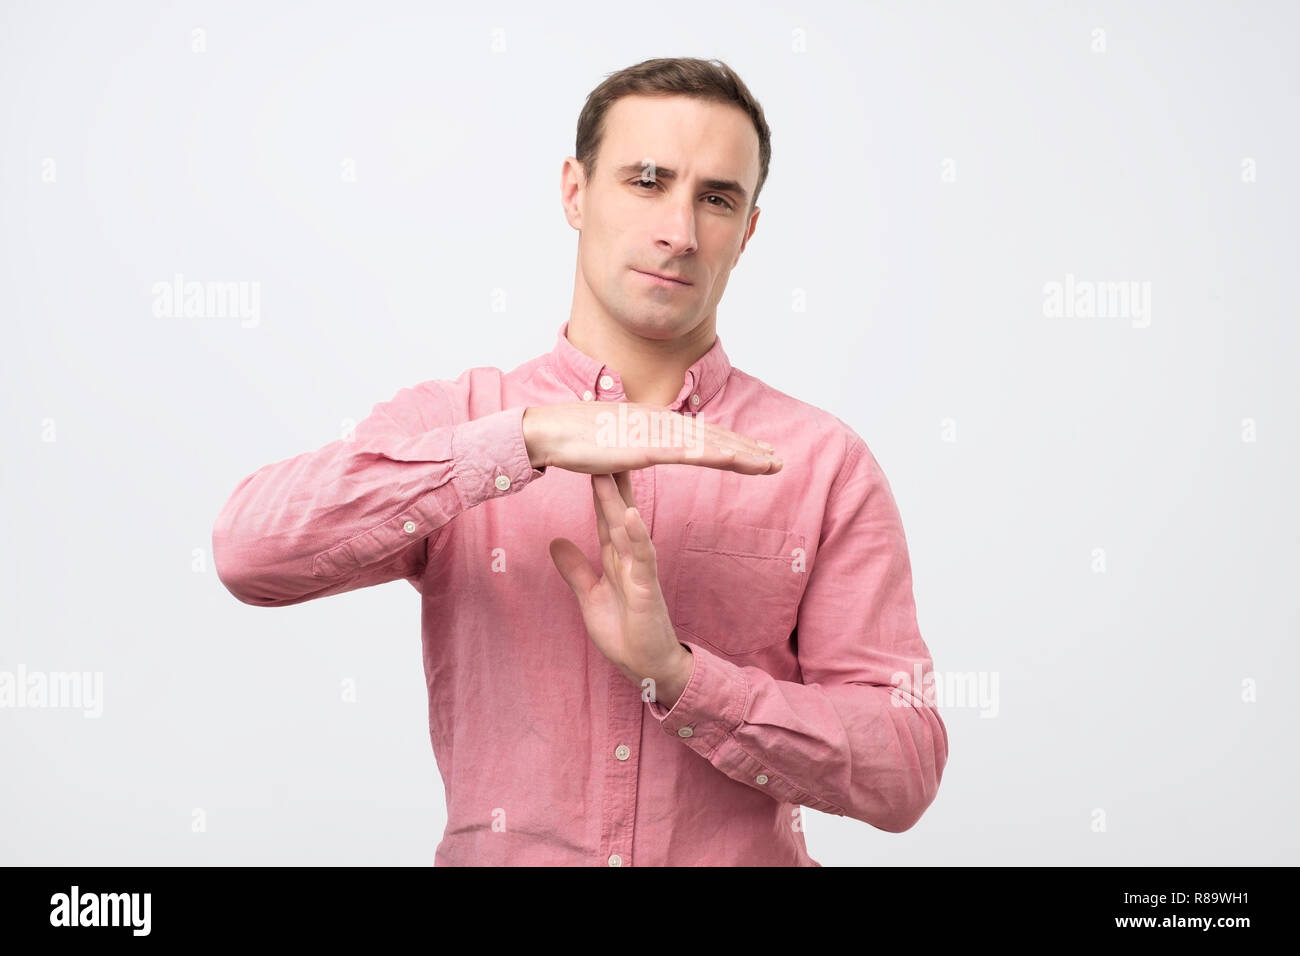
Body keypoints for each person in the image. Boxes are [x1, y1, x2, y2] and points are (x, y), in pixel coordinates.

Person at [212, 56, 947, 866]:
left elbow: (905, 764)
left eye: (716, 198)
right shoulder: (461, 422)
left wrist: (683, 679)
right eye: (645, 180)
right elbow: (250, 553)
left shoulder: (820, 463)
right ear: (574, 191)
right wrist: (527, 440)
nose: (679, 231)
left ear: (748, 230)